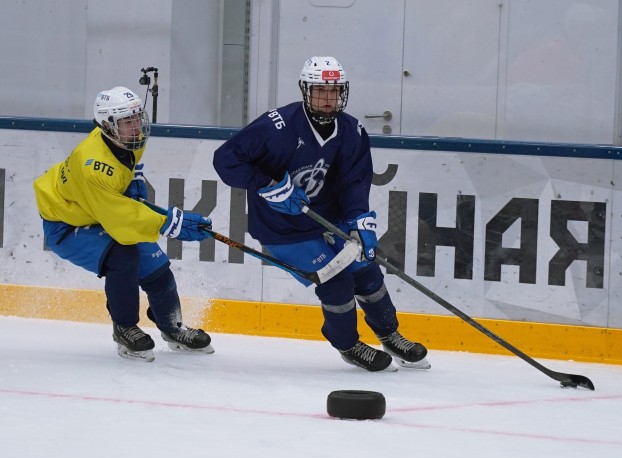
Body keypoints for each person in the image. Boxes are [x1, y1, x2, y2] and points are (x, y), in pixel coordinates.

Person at [213, 57, 430, 372]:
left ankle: (390, 334)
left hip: (329, 221)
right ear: (305, 90)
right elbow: (225, 159)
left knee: (366, 270)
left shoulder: (351, 130)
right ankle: (348, 344)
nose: (329, 99)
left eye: (335, 91)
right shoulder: (277, 125)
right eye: (320, 91)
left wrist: (359, 222)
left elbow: (355, 184)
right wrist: (268, 184)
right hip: (282, 228)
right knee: (335, 279)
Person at [33, 86, 214, 362]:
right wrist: (170, 223)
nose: (136, 127)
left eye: (137, 118)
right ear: (107, 125)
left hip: (95, 211)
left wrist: (134, 180)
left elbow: (128, 169)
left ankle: (173, 327)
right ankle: (125, 328)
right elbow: (121, 222)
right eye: (127, 122)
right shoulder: (92, 166)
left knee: (157, 267)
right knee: (123, 254)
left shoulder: (125, 139)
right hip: (65, 225)